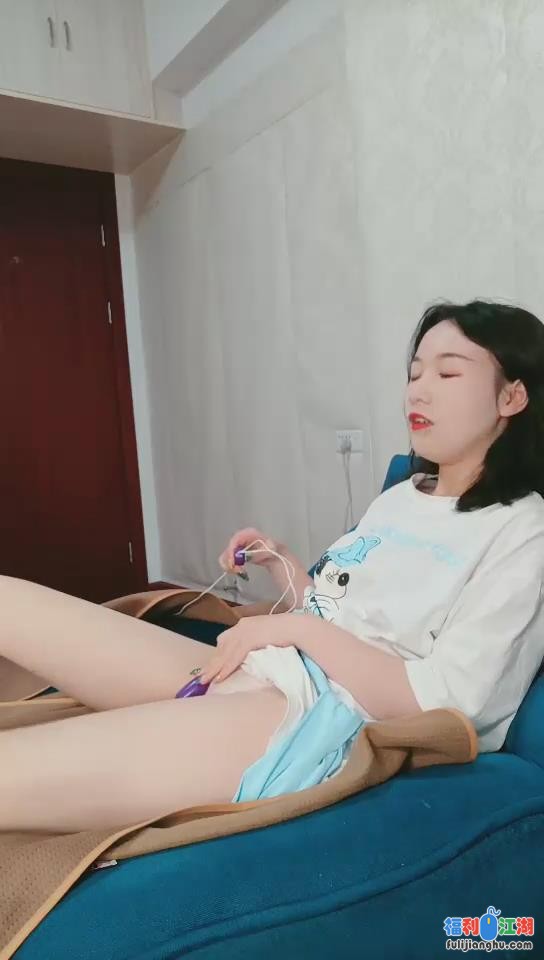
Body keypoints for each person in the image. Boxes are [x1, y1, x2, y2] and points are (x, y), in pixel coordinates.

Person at [1, 299, 544, 834]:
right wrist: (281, 562)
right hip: (267, 668)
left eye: (448, 373)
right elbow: (337, 612)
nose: (417, 391)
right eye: (415, 372)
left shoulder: (523, 528)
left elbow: (448, 703)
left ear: (512, 396)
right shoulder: (404, 495)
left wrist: (292, 629)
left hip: (310, 716)